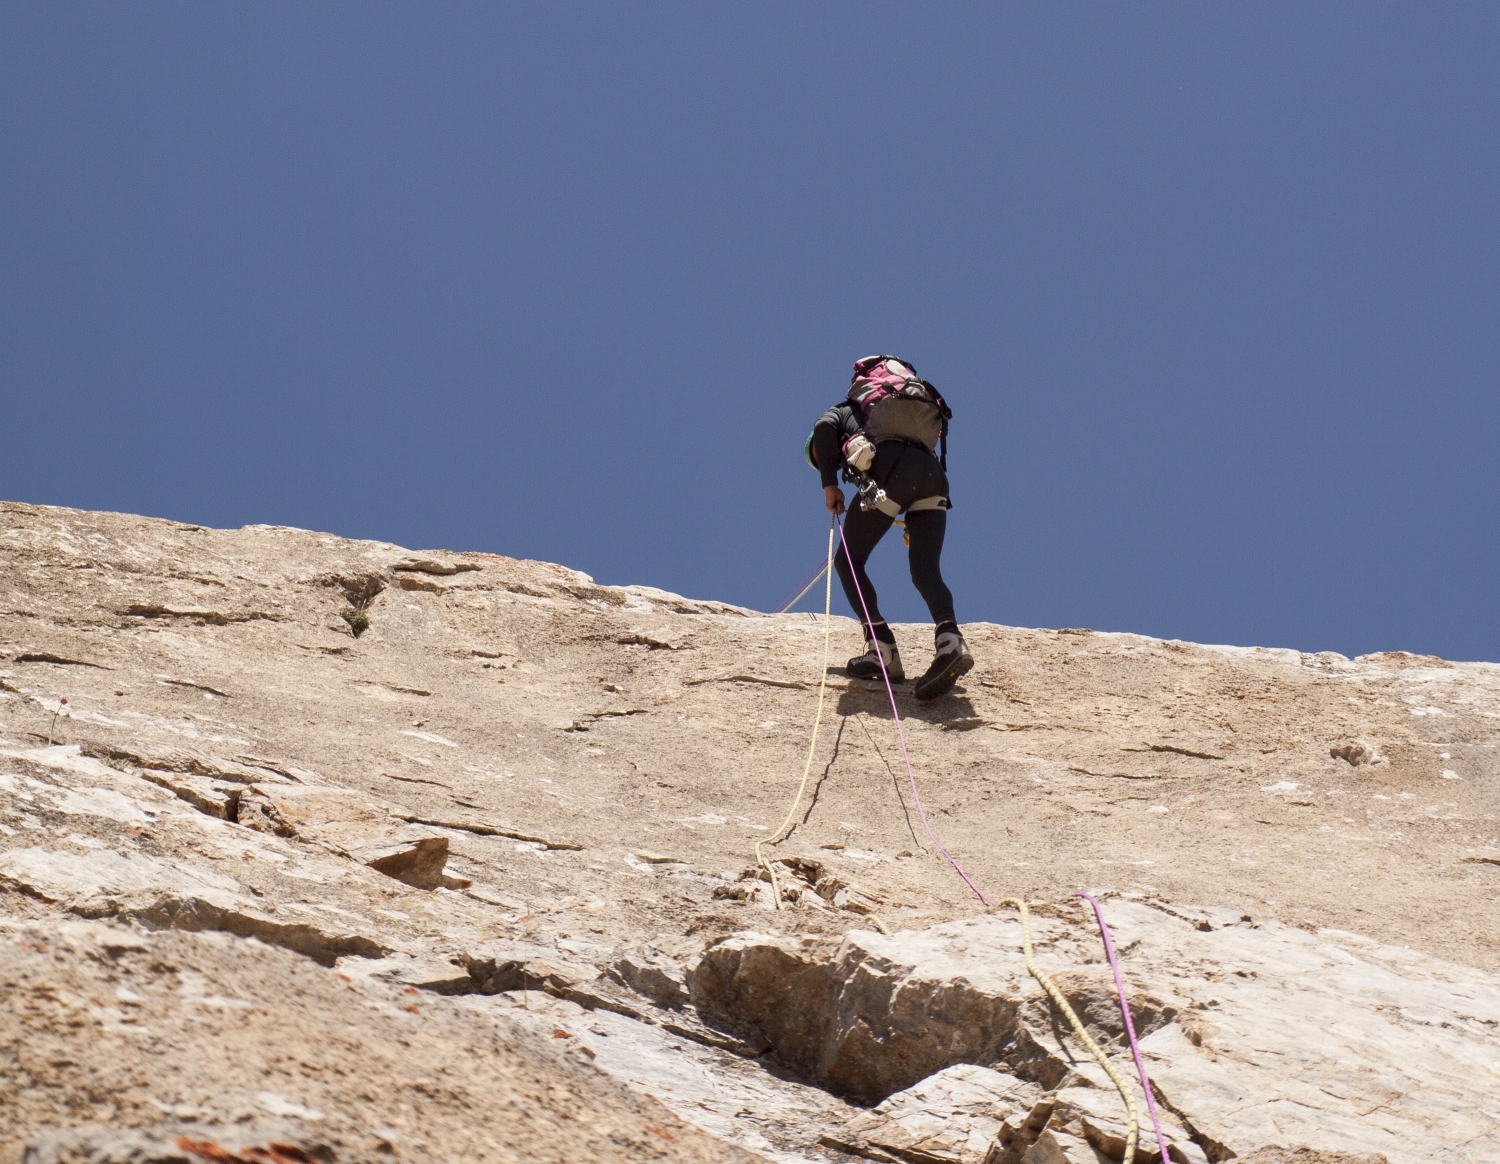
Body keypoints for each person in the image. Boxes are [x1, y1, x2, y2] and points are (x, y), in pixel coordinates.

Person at [807, 355, 974, 700]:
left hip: (891, 472)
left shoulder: (849, 409)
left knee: (848, 562)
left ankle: (881, 648)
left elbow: (823, 427)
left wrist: (829, 485)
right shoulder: (898, 404)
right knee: (926, 571)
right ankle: (950, 640)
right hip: (932, 476)